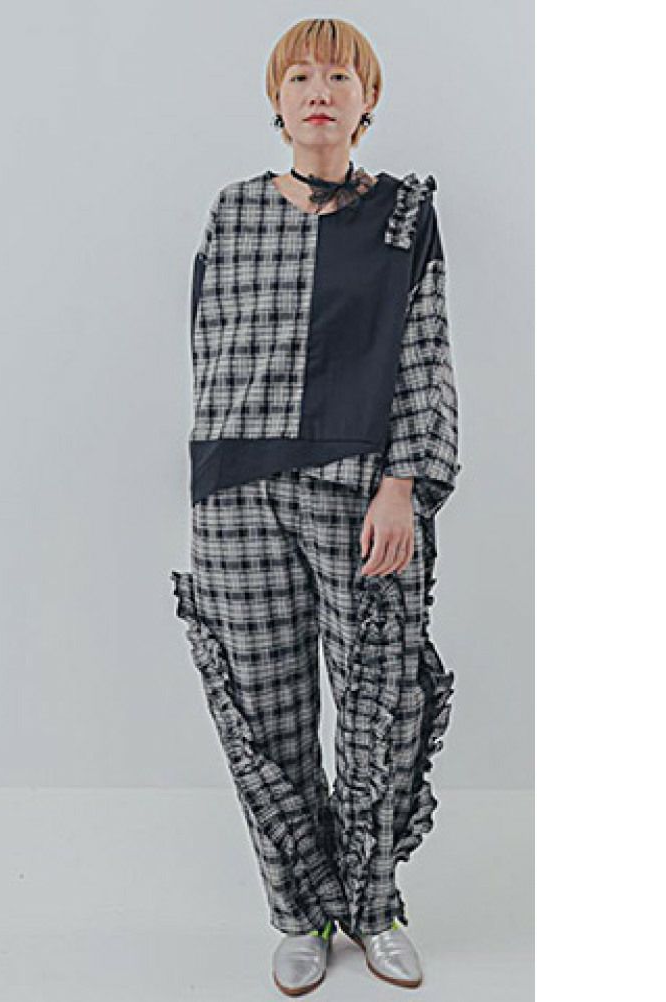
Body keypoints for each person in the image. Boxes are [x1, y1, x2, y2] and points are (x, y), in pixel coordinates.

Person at [169, 17, 461, 996]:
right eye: (300, 77)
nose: (319, 92)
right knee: (265, 709)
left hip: (360, 491)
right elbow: (210, 352)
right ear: (278, 100)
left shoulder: (403, 215)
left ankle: (372, 907)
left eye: (339, 77)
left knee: (378, 705)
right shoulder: (233, 210)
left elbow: (424, 350)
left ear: (366, 100)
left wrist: (402, 482)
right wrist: (215, 475)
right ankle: (299, 912)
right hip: (236, 493)